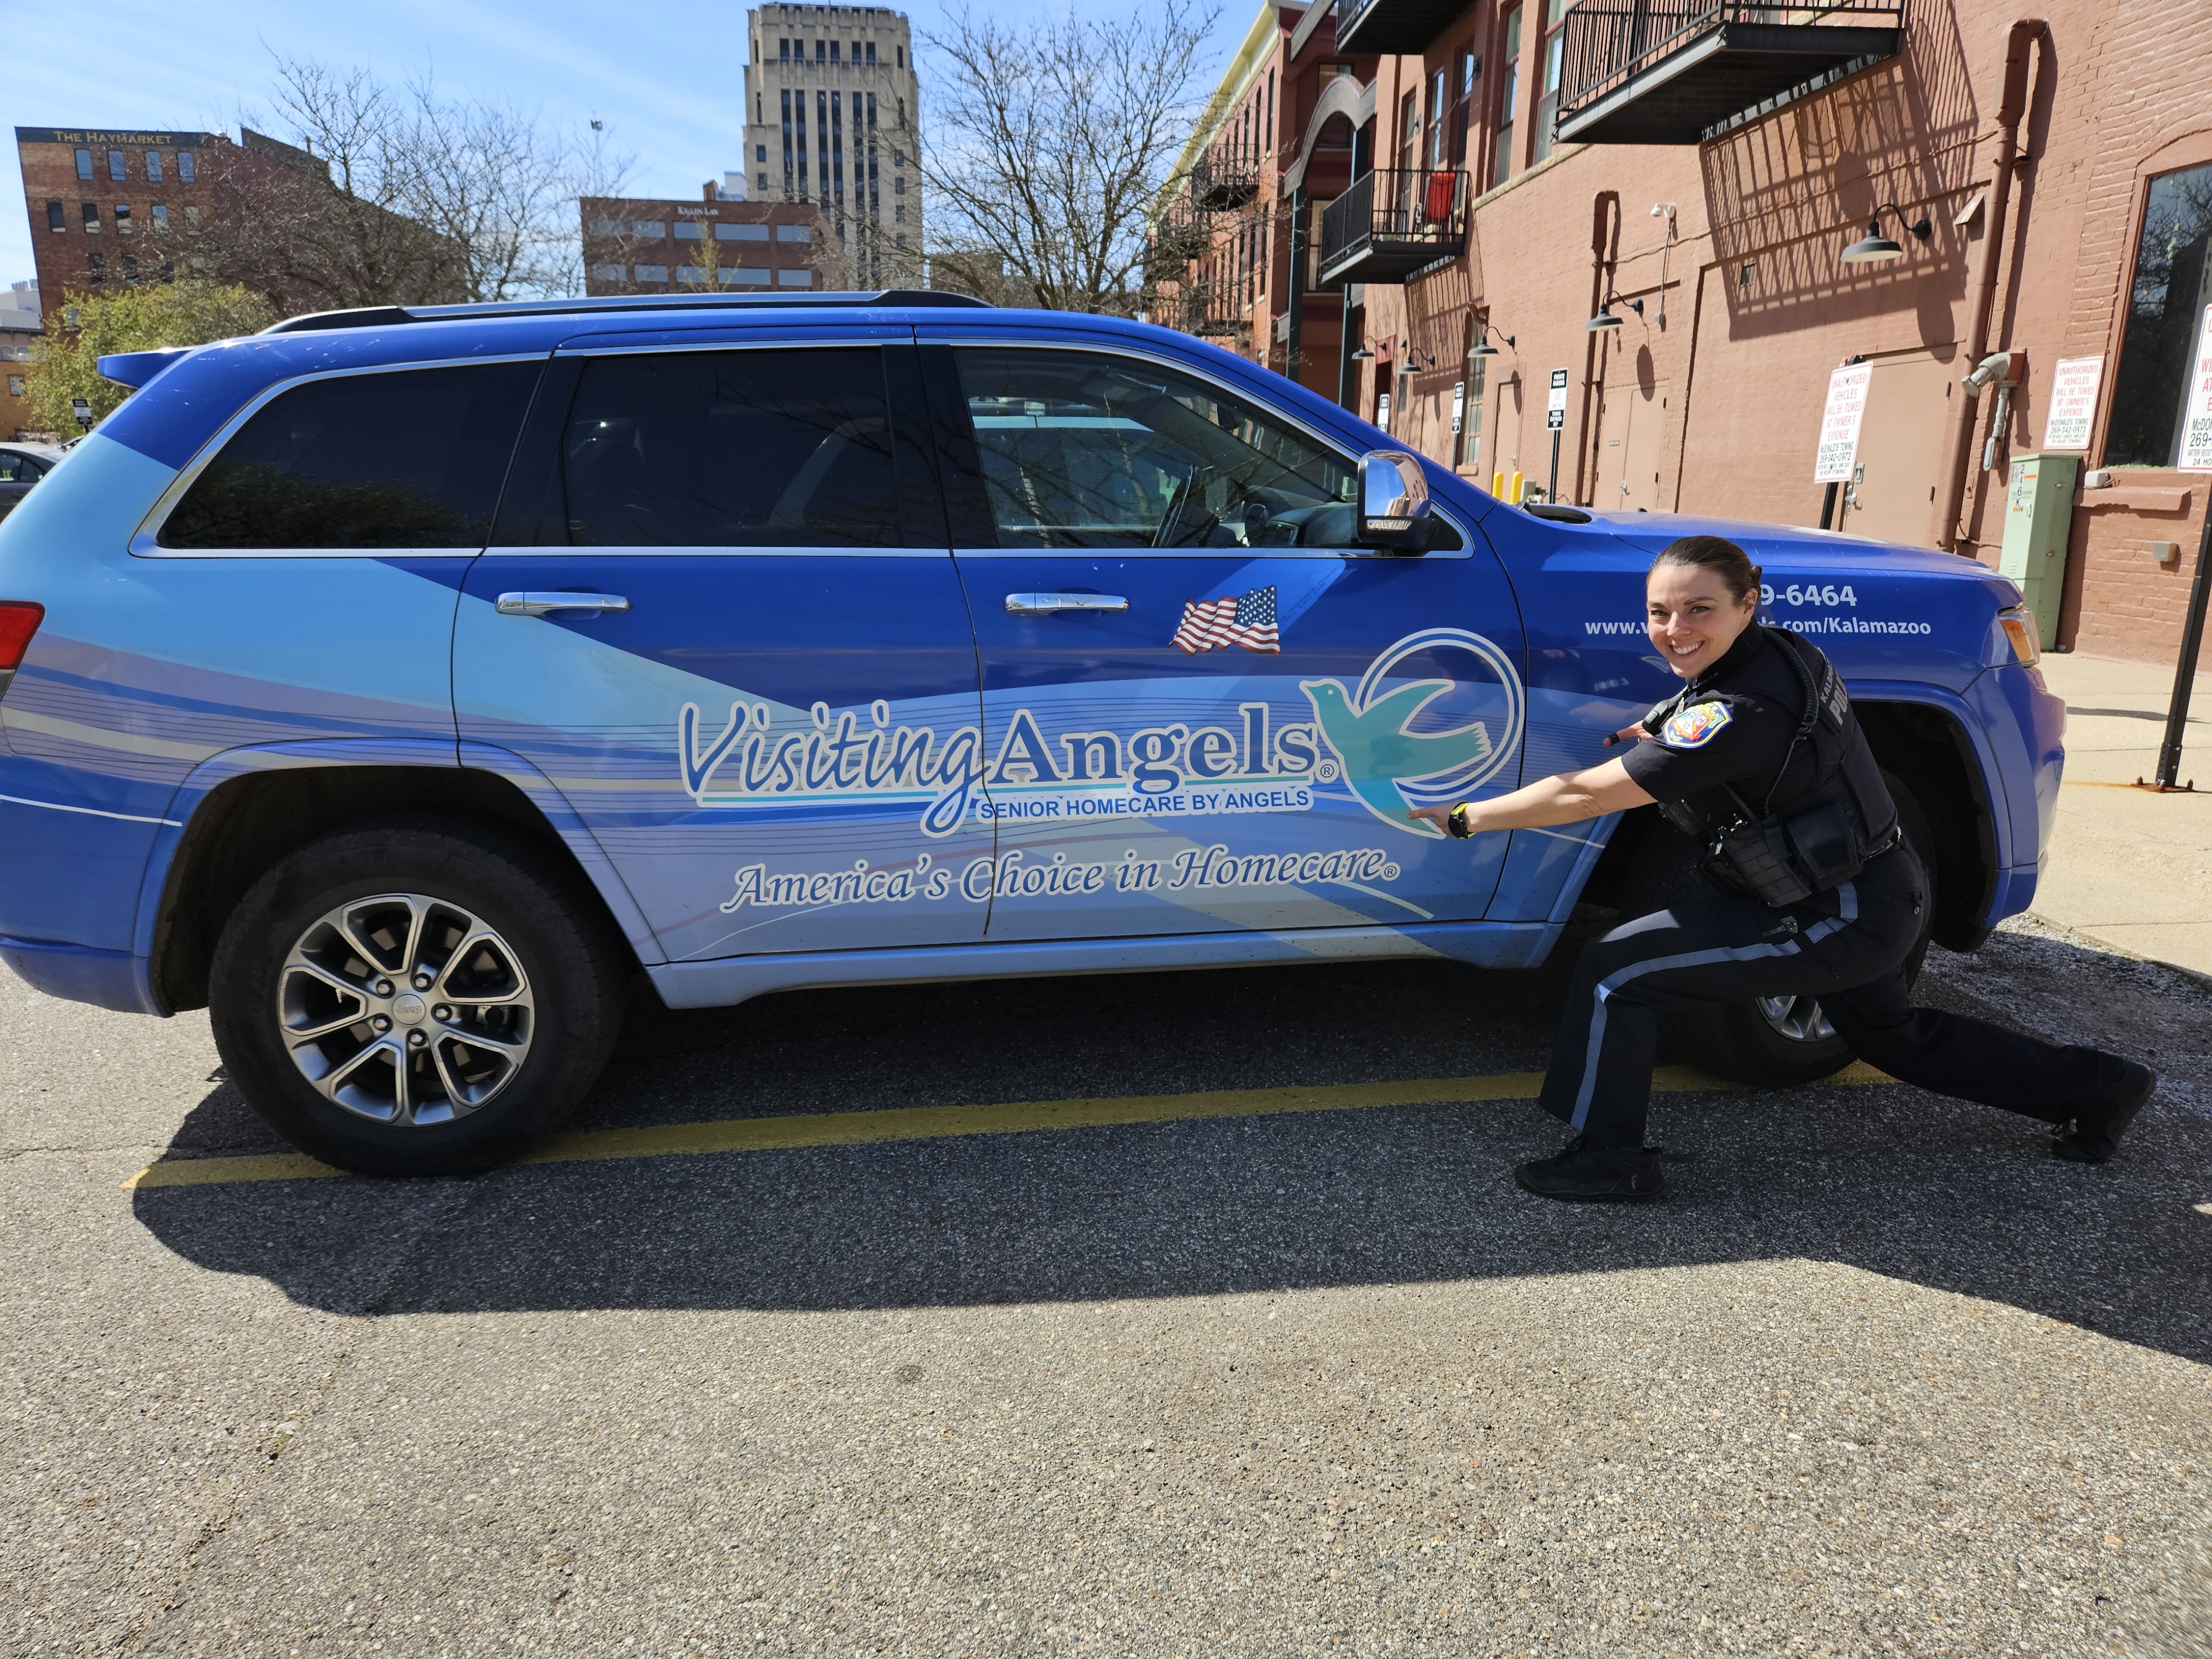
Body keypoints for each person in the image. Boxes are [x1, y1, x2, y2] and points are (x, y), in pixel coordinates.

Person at [1411, 534, 2156, 1203]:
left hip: (1838, 911)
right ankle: (2101, 1087)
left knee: (1617, 973)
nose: (1676, 630)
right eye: (1660, 612)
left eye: (1699, 610)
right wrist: (1663, 721)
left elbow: (1582, 792)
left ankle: (1613, 1160)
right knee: (1891, 1037)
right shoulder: (1788, 649)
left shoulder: (1740, 714)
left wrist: (1467, 816)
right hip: (1868, 887)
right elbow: (1711, 703)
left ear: (1747, 602)